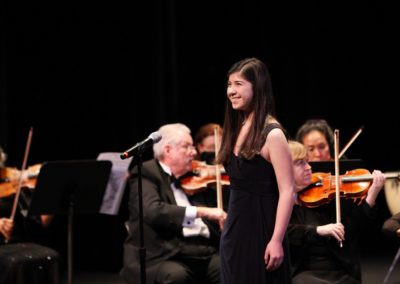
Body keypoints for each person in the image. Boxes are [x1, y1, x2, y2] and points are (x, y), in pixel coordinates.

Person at [217, 57, 295, 283]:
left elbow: (288, 191)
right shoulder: (236, 128)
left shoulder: (272, 134)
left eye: (238, 84)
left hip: (262, 232)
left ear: (257, 87)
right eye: (229, 85)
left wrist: (276, 240)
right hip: (235, 232)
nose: (231, 91)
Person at [120, 123, 227, 284]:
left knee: (229, 267)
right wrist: (203, 211)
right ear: (168, 150)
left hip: (202, 251)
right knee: (177, 276)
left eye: (193, 146)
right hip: (162, 255)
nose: (195, 152)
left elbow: (218, 215)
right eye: (187, 147)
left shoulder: (195, 179)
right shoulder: (146, 173)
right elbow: (153, 211)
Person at [287, 140, 385, 284]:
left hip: (338, 270)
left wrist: (371, 197)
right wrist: (318, 230)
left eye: (307, 162)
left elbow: (350, 230)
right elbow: (286, 233)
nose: (309, 167)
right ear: (285, 168)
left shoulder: (326, 196)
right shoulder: (278, 201)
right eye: (300, 163)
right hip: (303, 272)